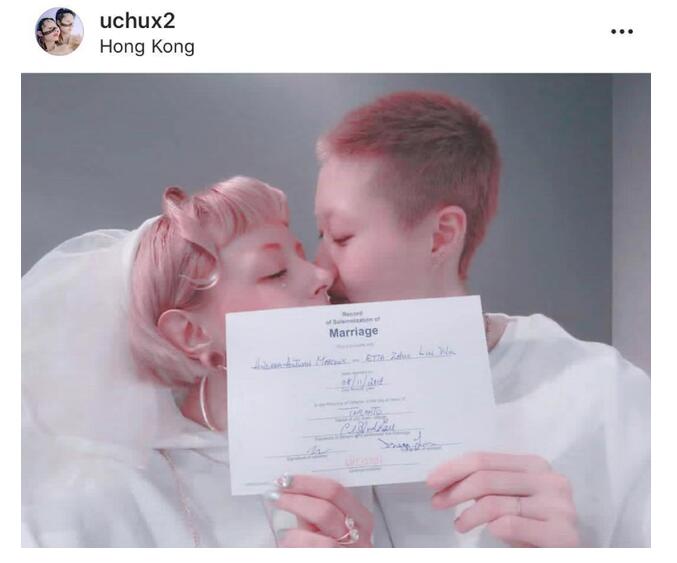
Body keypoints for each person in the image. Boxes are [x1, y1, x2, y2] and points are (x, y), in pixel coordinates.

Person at [275, 90, 649, 547]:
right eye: (320, 234)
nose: (321, 269)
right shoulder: (288, 407)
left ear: (440, 236)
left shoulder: (605, 397)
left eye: (340, 236)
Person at [22, 176, 377, 547]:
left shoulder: (367, 457)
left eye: (301, 255)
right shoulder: (91, 507)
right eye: (276, 272)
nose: (323, 275)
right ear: (191, 334)